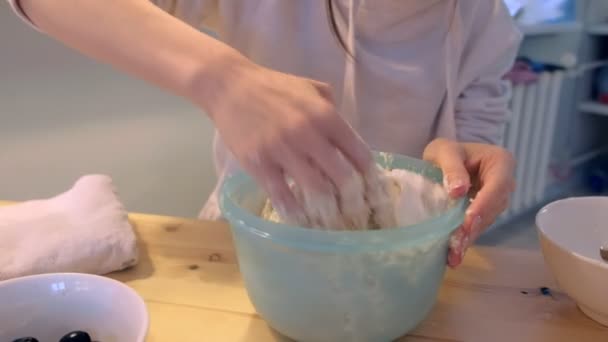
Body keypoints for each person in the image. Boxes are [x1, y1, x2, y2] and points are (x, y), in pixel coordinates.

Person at [8, 0, 521, 267]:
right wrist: (223, 79)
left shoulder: (488, 19)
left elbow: (471, 129)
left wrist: (464, 160)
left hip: (401, 261)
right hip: (251, 245)